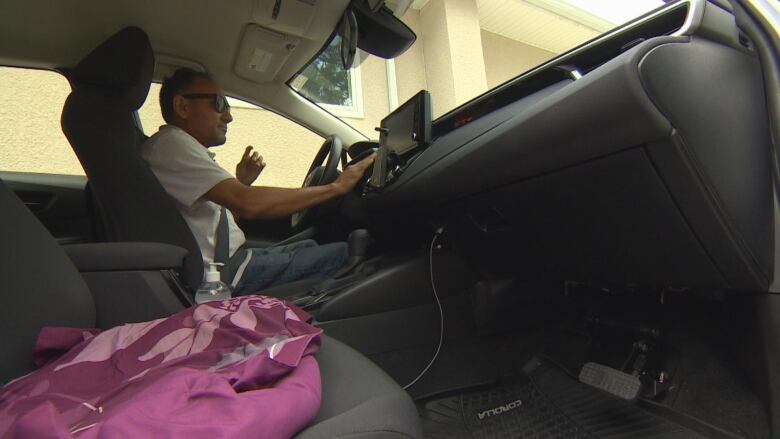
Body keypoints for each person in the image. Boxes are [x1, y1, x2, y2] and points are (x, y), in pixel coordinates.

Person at [141, 68, 375, 295]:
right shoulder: (172, 146)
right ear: (182, 106)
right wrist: (336, 187)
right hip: (225, 275)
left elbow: (214, 226)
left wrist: (242, 182)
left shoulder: (178, 149)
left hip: (229, 262)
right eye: (219, 104)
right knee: (349, 252)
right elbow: (248, 203)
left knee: (311, 247)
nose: (229, 115)